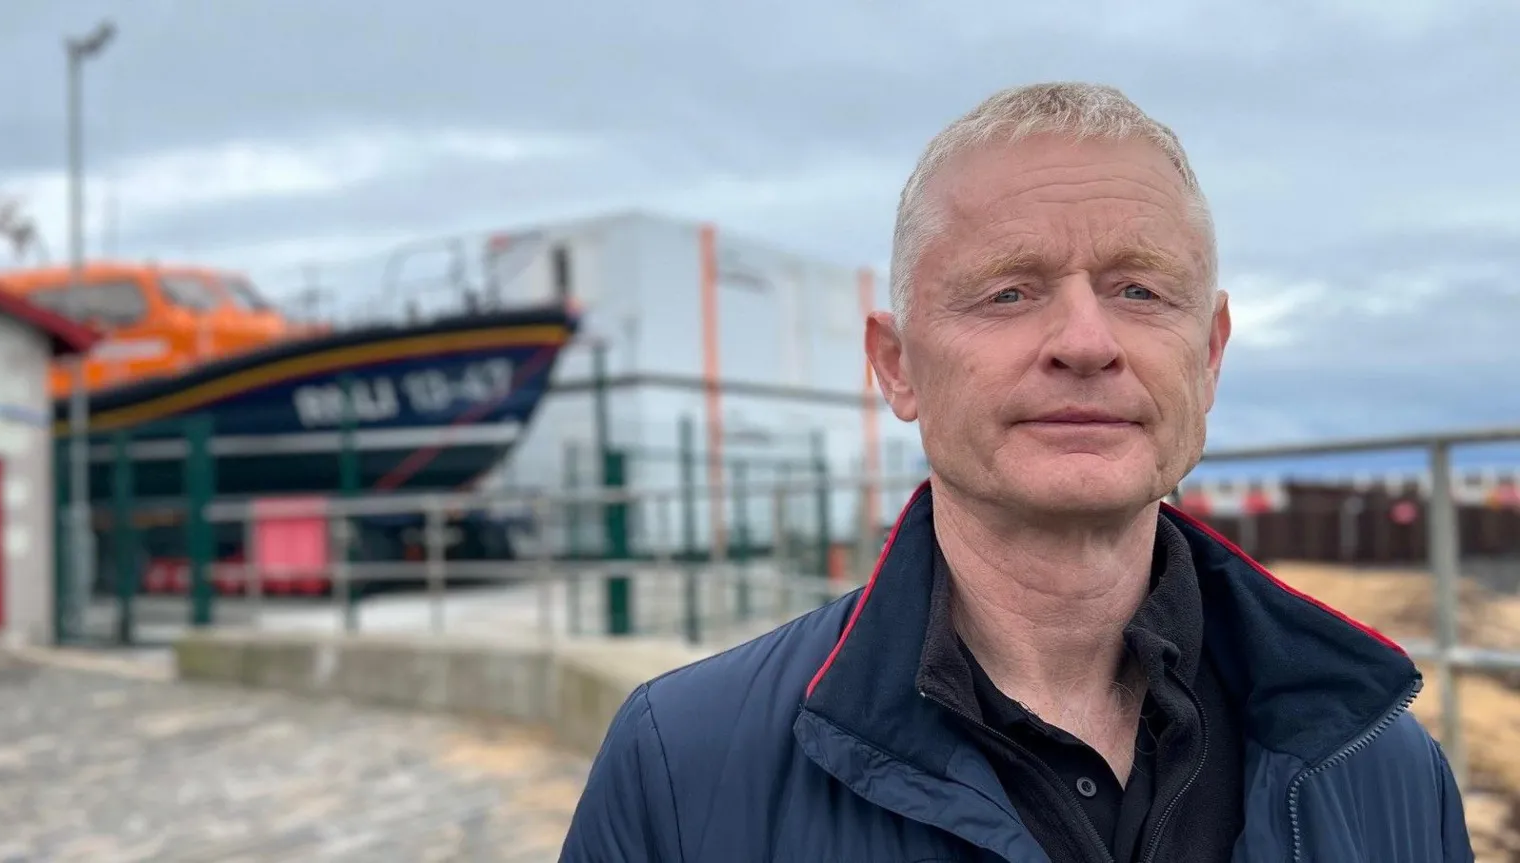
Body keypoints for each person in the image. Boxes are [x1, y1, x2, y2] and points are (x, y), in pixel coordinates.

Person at [559, 82, 1473, 862]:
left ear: (1210, 357)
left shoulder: (1383, 768)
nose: (1085, 342)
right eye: (1009, 291)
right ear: (897, 365)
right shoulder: (682, 768)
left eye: (1140, 290)